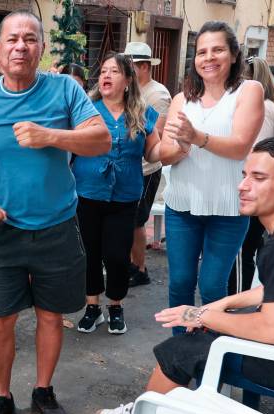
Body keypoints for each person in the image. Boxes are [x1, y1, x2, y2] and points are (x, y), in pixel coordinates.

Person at [96, 136, 274, 414]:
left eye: (258, 178)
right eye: (244, 175)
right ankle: (179, 407)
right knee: (210, 330)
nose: (243, 186)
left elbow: (273, 331)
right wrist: (221, 305)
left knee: (181, 349)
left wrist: (199, 316)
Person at [0, 10, 110, 414]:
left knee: (51, 316)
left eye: (30, 39)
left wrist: (51, 135)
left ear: (41, 47)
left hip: (58, 225)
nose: (21, 46)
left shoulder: (64, 90)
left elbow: (101, 139)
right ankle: (1, 397)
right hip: (1, 230)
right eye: (12, 40)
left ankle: (43, 391)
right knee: (0, 320)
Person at [159, 21, 264, 334]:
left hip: (228, 207)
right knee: (180, 283)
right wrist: (179, 147)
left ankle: (213, 349)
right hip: (182, 206)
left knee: (213, 286)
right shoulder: (181, 99)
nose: (209, 57)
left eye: (217, 49)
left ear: (233, 55)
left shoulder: (249, 91)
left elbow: (240, 146)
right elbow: (165, 153)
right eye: (202, 51)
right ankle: (181, 350)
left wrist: (195, 136)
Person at [73, 53, 161, 335]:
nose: (106, 76)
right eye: (103, 71)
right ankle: (92, 307)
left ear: (127, 80)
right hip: (87, 192)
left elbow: (154, 152)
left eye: (114, 71)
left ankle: (115, 306)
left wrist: (176, 146)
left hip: (125, 195)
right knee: (89, 254)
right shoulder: (85, 109)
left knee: (116, 255)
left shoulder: (143, 112)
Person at [228, 56, 274, 294]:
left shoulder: (262, 108)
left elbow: (253, 152)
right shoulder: (272, 106)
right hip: (264, 188)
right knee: (249, 247)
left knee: (241, 251)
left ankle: (236, 303)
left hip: (256, 189)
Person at [123, 42, 172, 287]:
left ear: (142, 67)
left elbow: (157, 134)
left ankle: (140, 268)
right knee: (126, 220)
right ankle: (130, 264)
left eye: (128, 66)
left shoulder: (157, 94)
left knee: (136, 221)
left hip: (146, 168)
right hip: (127, 165)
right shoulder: (129, 90)